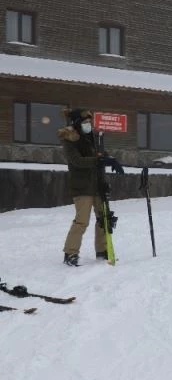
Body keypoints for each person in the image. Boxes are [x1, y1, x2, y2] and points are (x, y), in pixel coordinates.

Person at [58, 108, 123, 266]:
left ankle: (102, 250)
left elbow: (102, 155)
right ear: (77, 123)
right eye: (85, 122)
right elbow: (77, 161)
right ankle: (70, 253)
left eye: (89, 122)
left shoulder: (94, 138)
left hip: (98, 184)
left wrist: (111, 160)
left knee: (103, 219)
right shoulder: (70, 139)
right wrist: (97, 161)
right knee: (82, 220)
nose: (89, 124)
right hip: (82, 186)